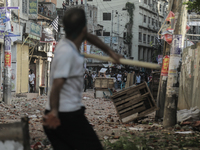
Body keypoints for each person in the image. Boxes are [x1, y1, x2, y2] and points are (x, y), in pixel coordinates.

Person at [43, 8, 121, 150]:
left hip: (63, 114)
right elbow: (57, 85)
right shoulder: (67, 53)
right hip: (65, 116)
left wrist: (110, 52)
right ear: (84, 29)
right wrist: (54, 112)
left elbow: (90, 37)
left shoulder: (66, 42)